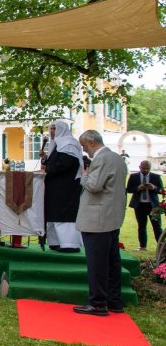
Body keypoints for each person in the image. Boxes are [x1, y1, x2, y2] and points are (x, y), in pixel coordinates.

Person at [74, 130, 128, 316]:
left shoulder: (102, 159)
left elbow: (94, 186)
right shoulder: (116, 158)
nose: (84, 149)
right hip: (111, 217)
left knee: (97, 263)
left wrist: (84, 174)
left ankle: (98, 303)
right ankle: (114, 300)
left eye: (84, 145)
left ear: (91, 142)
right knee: (112, 262)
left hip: (98, 219)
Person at [40, 120, 84, 252]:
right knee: (54, 214)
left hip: (66, 188)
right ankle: (55, 242)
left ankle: (69, 244)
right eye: (50, 129)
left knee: (64, 214)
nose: (52, 131)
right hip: (55, 187)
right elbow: (54, 162)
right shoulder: (58, 144)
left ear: (62, 129)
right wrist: (45, 159)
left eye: (54, 128)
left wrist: (47, 169)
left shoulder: (68, 143)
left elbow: (65, 164)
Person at [126, 160, 162, 252]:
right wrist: (138, 188)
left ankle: (162, 247)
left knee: (157, 226)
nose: (145, 170)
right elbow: (128, 189)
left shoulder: (156, 177)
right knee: (141, 226)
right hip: (139, 205)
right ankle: (142, 246)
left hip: (153, 206)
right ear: (139, 167)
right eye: (143, 168)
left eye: (147, 169)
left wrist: (154, 187)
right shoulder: (134, 176)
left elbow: (161, 190)